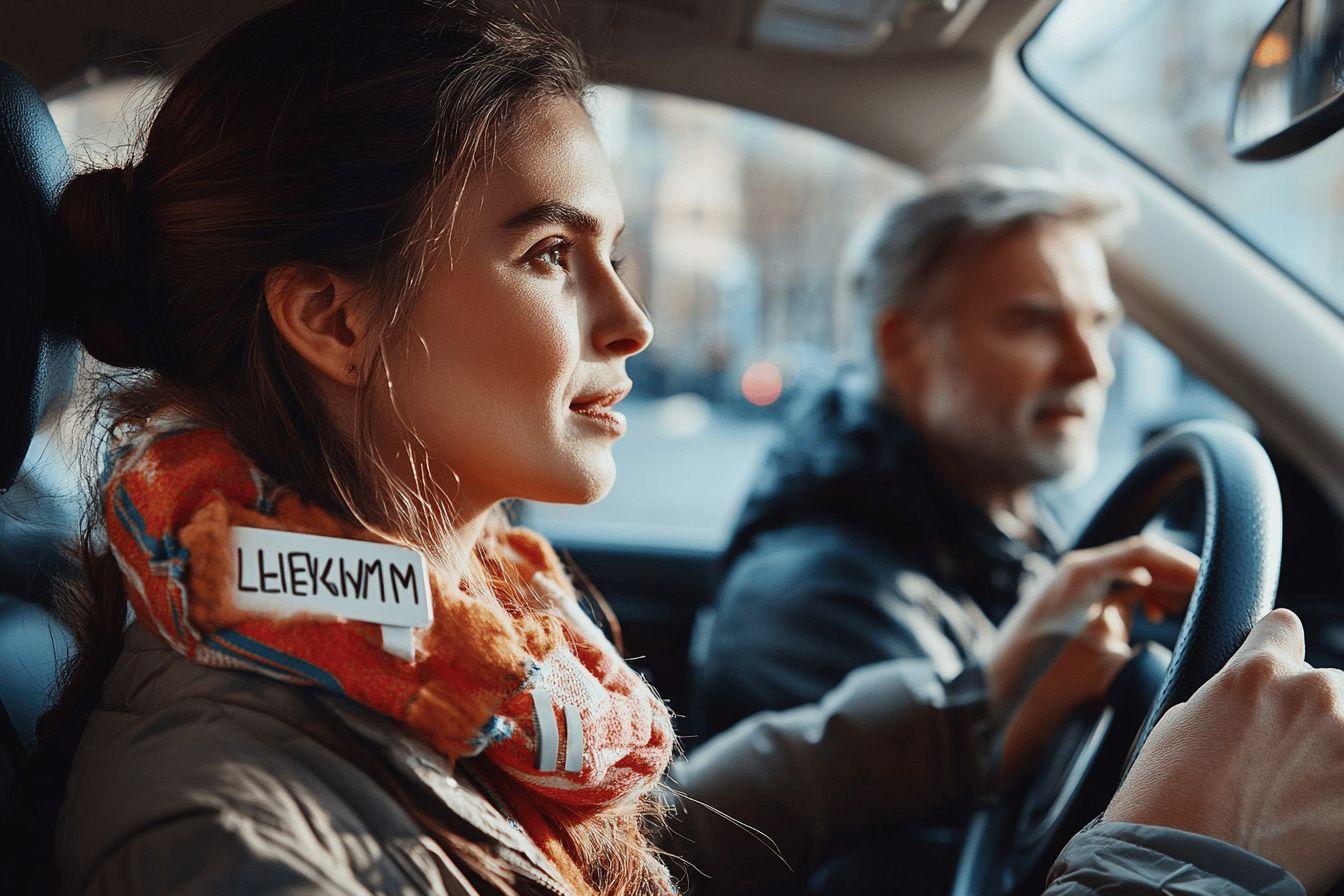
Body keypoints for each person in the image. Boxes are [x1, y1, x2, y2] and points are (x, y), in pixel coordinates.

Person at [12, 3, 1344, 896]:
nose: (633, 320)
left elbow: (589, 853)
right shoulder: (223, 835)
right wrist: (1174, 862)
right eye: (550, 255)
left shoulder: (410, 633)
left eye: (619, 254)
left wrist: (965, 721)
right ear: (332, 316)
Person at [694, 170, 1141, 892]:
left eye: (1099, 322)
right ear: (904, 347)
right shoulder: (815, 596)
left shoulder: (996, 517)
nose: (1092, 366)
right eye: (1032, 322)